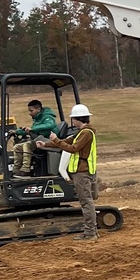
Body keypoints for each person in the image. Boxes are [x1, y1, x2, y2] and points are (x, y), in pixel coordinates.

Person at [39, 103, 98, 240]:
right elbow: (65, 141)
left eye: (73, 119)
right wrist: (46, 144)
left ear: (77, 119)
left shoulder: (86, 134)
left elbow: (73, 148)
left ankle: (90, 233)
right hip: (79, 171)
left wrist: (55, 140)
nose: (72, 121)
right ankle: (91, 231)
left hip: (82, 171)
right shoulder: (81, 133)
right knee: (85, 201)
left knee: (86, 202)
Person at [12, 100, 58, 175]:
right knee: (17, 147)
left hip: (49, 140)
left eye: (31, 111)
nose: (30, 113)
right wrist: (17, 132)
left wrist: (33, 129)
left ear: (38, 109)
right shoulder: (37, 118)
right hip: (40, 139)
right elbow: (31, 131)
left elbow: (50, 125)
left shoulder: (47, 117)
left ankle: (25, 169)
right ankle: (16, 169)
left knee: (27, 145)